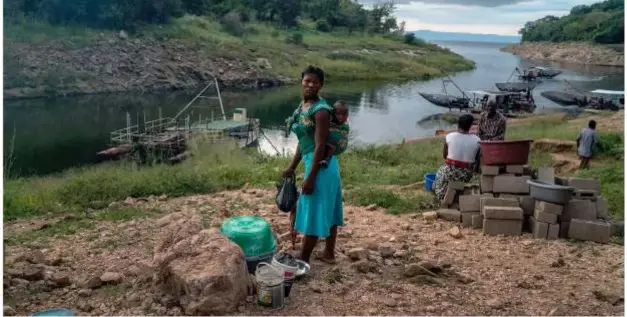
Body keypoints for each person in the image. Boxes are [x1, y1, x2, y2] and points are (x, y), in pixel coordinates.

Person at [283, 66, 343, 264]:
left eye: (315, 82)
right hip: (317, 164)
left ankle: (303, 260)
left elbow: (319, 145)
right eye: (307, 81)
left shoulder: (321, 112)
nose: (310, 85)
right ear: (302, 81)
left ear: (321, 85)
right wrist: (292, 166)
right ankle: (329, 253)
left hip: (321, 168)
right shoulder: (303, 107)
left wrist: (310, 177)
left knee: (314, 212)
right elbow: (303, 141)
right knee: (328, 208)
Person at [433, 114, 481, 202]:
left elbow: (444, 155)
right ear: (470, 126)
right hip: (467, 175)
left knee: (440, 171)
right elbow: (477, 161)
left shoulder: (449, 136)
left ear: (458, 124)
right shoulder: (477, 140)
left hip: (451, 172)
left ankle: (441, 193)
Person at [319, 100, 350, 168]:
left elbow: (344, 131)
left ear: (347, 115)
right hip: (334, 144)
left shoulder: (345, 124)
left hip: (339, 145)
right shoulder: (329, 118)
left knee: (330, 147)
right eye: (338, 114)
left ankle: (326, 160)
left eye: (344, 114)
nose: (341, 117)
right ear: (333, 113)